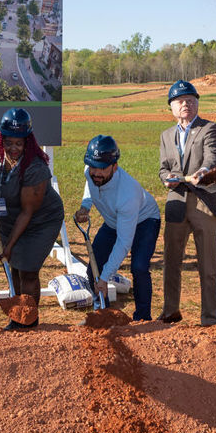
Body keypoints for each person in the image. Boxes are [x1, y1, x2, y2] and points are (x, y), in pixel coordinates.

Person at [158, 80, 216, 326]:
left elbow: (214, 156)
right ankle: (170, 311)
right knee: (171, 261)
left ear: (197, 104)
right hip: (176, 202)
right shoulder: (166, 136)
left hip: (204, 202)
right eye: (180, 101)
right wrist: (166, 180)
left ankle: (210, 318)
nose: (186, 105)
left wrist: (202, 172)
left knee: (208, 263)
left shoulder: (209, 128)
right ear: (171, 107)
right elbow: (163, 168)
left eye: (191, 100)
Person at [0, 108, 64, 330]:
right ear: (1, 138)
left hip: (39, 221)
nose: (13, 148)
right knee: (14, 267)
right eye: (9, 143)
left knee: (28, 269)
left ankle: (30, 320)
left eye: (19, 143)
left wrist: (10, 245)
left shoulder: (35, 167)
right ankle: (18, 315)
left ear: (28, 141)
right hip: (10, 216)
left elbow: (28, 212)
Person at [74, 135, 160, 321]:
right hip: (114, 221)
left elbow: (123, 243)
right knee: (92, 269)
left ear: (115, 166)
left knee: (139, 267)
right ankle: (103, 314)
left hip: (145, 221)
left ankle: (143, 319)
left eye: (102, 168)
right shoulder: (90, 172)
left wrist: (105, 278)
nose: (96, 172)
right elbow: (90, 185)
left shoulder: (127, 194)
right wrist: (85, 206)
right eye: (92, 166)